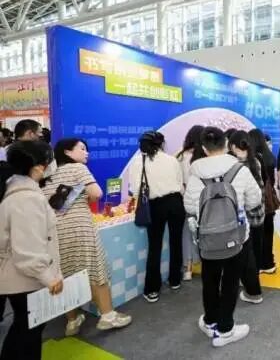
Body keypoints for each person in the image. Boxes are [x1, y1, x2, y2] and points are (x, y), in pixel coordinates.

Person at [43, 138, 131, 335]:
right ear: (67, 152)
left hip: (55, 232)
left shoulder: (47, 173)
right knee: (95, 269)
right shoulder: (78, 168)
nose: (86, 153)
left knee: (65, 274)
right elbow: (96, 193)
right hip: (80, 228)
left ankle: (72, 321)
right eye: (82, 149)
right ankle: (108, 316)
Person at [184, 127, 262, 348]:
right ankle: (226, 329)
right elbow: (254, 200)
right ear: (226, 144)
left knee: (209, 279)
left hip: (207, 238)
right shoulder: (239, 169)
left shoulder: (195, 173)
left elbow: (189, 206)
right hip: (236, 236)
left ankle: (210, 321)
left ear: (204, 148)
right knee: (230, 281)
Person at [0, 141, 62, 360]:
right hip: (26, 280)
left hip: (21, 277)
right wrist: (48, 277)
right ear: (37, 167)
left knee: (26, 327)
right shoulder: (26, 198)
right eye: (48, 161)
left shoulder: (18, 191)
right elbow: (27, 248)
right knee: (27, 331)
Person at [129, 131, 185, 303]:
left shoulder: (138, 162)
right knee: (176, 241)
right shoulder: (171, 160)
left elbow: (135, 189)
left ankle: (152, 289)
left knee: (155, 246)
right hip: (176, 202)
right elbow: (180, 183)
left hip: (154, 205)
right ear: (161, 144)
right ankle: (175, 280)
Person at [229, 130, 265, 304]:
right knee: (255, 250)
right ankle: (253, 280)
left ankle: (248, 284)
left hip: (243, 217)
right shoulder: (255, 161)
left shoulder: (232, 165)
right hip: (258, 213)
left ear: (233, 146)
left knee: (243, 253)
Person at [176, 125, 206, 281]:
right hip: (204, 199)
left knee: (187, 233)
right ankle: (208, 265)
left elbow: (177, 180)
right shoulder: (204, 156)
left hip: (186, 198)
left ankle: (187, 270)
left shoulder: (179, 155)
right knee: (206, 232)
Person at [249, 128, 278, 274]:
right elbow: (271, 181)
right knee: (268, 232)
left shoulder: (253, 159)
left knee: (256, 234)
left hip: (257, 201)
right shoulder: (269, 156)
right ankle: (268, 263)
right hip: (269, 200)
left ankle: (258, 264)